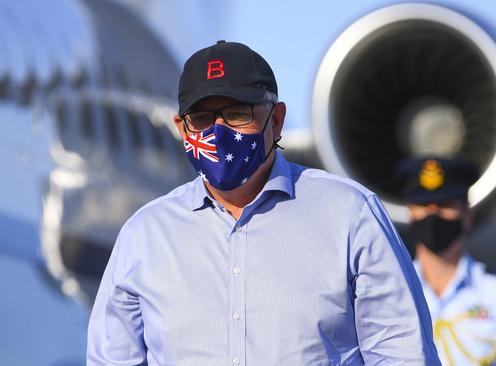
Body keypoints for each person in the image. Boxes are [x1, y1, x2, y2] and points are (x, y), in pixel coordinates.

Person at [87, 40, 440, 365]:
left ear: (277, 120)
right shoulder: (145, 235)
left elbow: (404, 354)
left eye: (238, 114)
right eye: (202, 119)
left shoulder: (350, 215)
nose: (219, 132)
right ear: (182, 127)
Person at [396, 156, 496, 366]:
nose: (433, 213)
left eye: (445, 204)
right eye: (424, 205)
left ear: (467, 215)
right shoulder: (392, 290)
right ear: (410, 214)